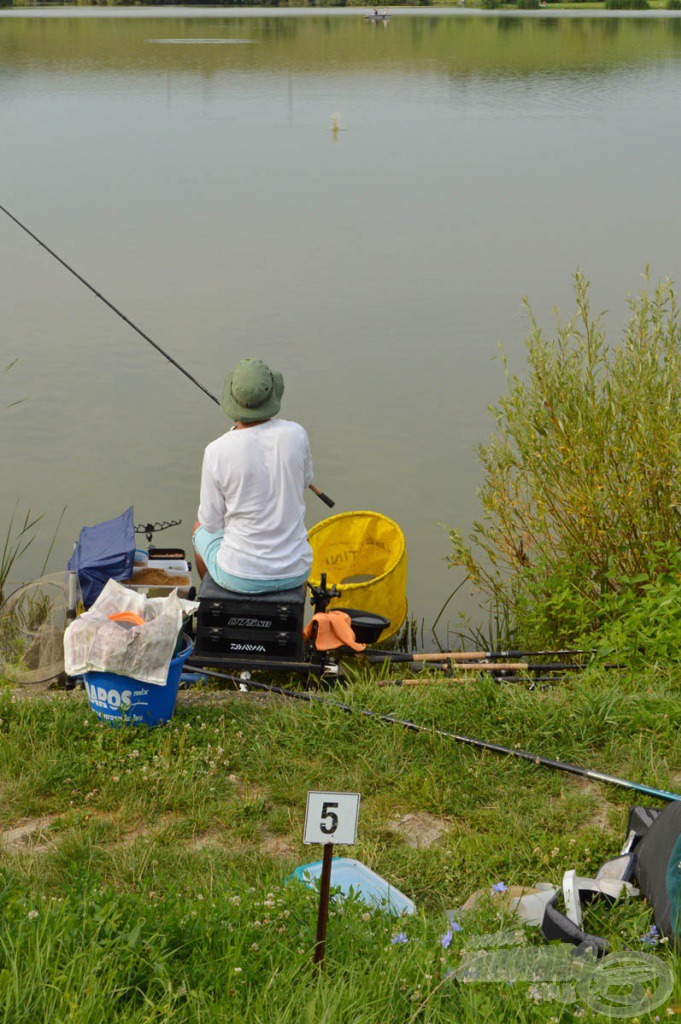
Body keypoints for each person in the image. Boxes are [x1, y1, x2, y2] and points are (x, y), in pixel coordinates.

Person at [192, 358, 314, 594]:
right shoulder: (296, 434)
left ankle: (212, 598)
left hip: (239, 576)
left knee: (199, 527)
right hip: (295, 571)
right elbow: (306, 481)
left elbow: (210, 522)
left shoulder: (217, 450)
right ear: (273, 396)